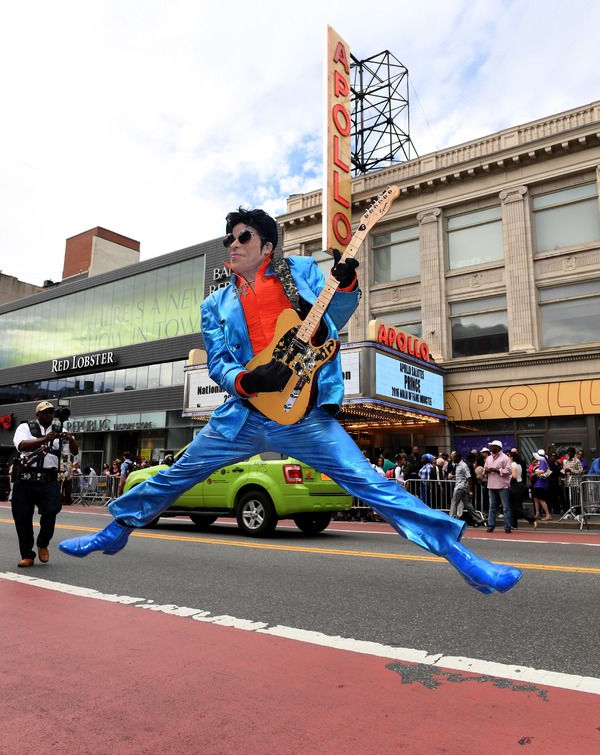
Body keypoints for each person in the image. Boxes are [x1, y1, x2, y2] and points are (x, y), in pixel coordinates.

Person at [60, 206, 521, 595]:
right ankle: (115, 530)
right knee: (178, 473)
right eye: (228, 238)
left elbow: (334, 317)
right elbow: (218, 362)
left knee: (372, 484)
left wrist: (346, 284)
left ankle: (463, 559)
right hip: (243, 415)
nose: (232, 244)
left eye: (243, 236)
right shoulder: (214, 304)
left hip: (304, 414)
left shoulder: (299, 272)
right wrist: (246, 380)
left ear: (267, 246)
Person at [11, 401, 78, 566]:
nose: (49, 415)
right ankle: (27, 555)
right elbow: (21, 445)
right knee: (22, 517)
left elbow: (75, 451)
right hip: (26, 479)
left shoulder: (60, 430)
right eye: (45, 412)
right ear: (38, 414)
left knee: (52, 510)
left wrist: (70, 439)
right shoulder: (25, 427)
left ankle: (43, 543)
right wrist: (44, 439)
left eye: (51, 412)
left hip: (48, 480)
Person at [449, 451, 484, 526]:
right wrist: (453, 476)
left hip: (460, 487)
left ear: (458, 458)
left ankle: (451, 519)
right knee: (467, 504)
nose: (453, 459)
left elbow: (469, 478)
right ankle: (479, 519)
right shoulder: (457, 465)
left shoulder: (464, 466)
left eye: (454, 458)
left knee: (454, 502)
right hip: (462, 487)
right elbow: (462, 476)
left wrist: (470, 490)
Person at [484, 440, 512, 533]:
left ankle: (507, 527)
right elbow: (485, 469)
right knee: (492, 507)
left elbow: (509, 471)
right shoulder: (488, 458)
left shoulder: (505, 458)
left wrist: (497, 470)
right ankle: (490, 525)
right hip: (491, 484)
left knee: (505, 507)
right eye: (491, 446)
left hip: (502, 485)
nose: (491, 448)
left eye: (493, 446)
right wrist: (487, 471)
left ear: (499, 448)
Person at [508, 450, 537, 529]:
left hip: (515, 486)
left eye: (509, 456)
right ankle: (514, 525)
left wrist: (508, 478)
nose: (508, 458)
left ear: (512, 457)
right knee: (514, 507)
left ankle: (531, 518)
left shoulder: (513, 464)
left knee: (516, 507)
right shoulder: (519, 464)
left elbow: (514, 476)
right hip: (520, 485)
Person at [530, 450, 553, 521]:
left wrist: (534, 473)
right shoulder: (543, 461)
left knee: (540, 499)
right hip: (538, 483)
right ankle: (537, 514)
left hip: (540, 483)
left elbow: (542, 470)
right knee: (536, 498)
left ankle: (548, 514)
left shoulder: (542, 461)